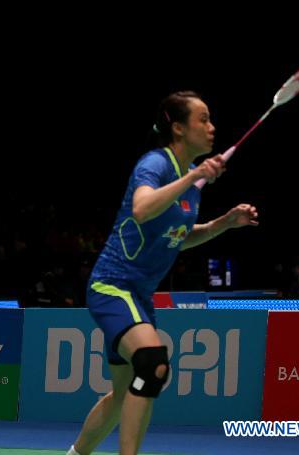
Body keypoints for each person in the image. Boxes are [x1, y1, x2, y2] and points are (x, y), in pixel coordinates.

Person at [67, 91, 258, 455]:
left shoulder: (188, 179)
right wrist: (195, 177)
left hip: (138, 296)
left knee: (122, 395)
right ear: (178, 127)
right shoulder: (154, 164)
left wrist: (225, 223)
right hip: (113, 285)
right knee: (153, 364)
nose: (212, 127)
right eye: (203, 119)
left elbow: (178, 238)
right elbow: (141, 209)